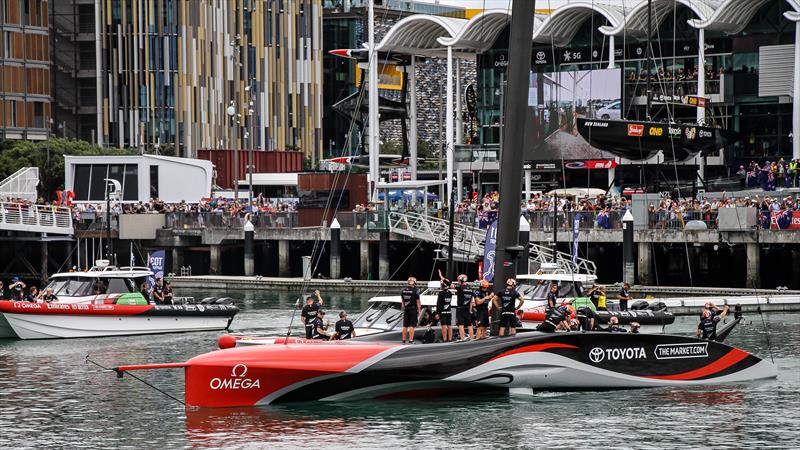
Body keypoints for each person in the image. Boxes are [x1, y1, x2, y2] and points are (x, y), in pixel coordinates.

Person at [400, 277, 421, 344]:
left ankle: (403, 340)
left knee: (405, 325)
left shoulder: (403, 290)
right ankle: (411, 340)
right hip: (413, 309)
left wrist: (404, 308)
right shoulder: (416, 290)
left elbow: (402, 302)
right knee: (412, 325)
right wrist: (419, 310)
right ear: (414, 283)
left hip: (406, 310)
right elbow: (418, 302)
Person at [455, 275, 476, 341]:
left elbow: (450, 285)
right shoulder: (470, 288)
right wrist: (470, 310)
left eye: (458, 280)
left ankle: (462, 339)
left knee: (461, 324)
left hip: (460, 308)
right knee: (469, 324)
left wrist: (442, 278)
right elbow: (471, 301)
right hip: (467, 309)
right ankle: (472, 338)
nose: (458, 281)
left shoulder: (460, 287)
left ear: (460, 280)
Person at [436, 278, 454, 342]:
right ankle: (450, 339)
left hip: (442, 312)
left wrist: (437, 313)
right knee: (449, 325)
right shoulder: (450, 293)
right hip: (448, 311)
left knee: (444, 326)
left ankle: (445, 339)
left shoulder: (441, 293)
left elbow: (438, 304)